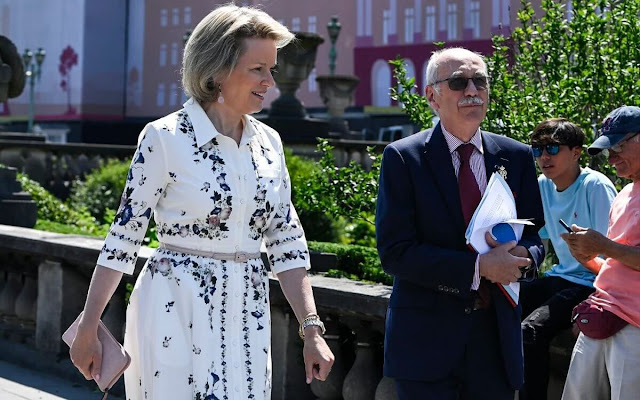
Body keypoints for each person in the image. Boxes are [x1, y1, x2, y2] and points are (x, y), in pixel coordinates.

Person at [68, 5, 334, 399]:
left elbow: (286, 241)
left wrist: (311, 330)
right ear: (216, 70)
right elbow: (122, 238)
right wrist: (89, 325)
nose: (269, 82)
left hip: (248, 310)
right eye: (257, 69)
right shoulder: (163, 137)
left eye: (271, 69)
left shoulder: (269, 144)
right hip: (173, 307)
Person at [375, 47, 545, 400]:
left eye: (479, 80)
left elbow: (534, 234)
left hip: (496, 341)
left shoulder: (515, 156)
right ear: (432, 97)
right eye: (458, 82)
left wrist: (523, 260)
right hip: (427, 345)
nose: (472, 90)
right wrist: (479, 267)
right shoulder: (403, 158)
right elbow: (395, 252)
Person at [518, 118, 617, 400]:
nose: (544, 157)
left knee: (531, 330)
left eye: (552, 148)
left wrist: (599, 303)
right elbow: (540, 244)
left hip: (592, 282)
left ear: (576, 152)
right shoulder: (542, 186)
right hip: (561, 278)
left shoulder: (595, 186)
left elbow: (613, 253)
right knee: (499, 305)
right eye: (537, 151)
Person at [561, 106, 640, 400]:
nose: (613, 157)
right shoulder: (623, 195)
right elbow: (615, 266)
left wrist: (603, 246)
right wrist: (587, 256)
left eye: (619, 145)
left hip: (634, 326)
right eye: (608, 149)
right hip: (601, 314)